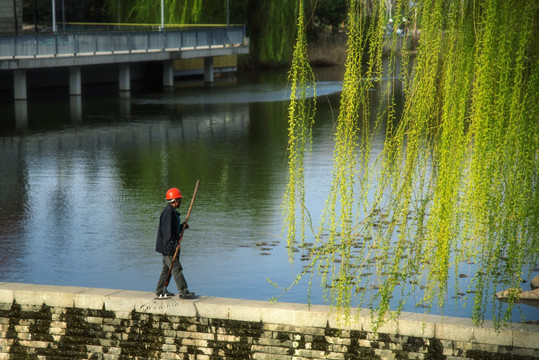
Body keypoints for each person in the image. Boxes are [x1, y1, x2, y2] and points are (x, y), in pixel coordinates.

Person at [155, 187, 195, 299]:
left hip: (167, 245)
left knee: (166, 269)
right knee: (176, 268)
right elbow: (168, 233)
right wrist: (175, 245)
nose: (180, 201)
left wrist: (182, 226)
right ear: (175, 200)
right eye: (179, 199)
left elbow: (173, 229)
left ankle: (160, 291)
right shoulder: (168, 213)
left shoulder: (172, 212)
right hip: (168, 247)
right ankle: (183, 291)